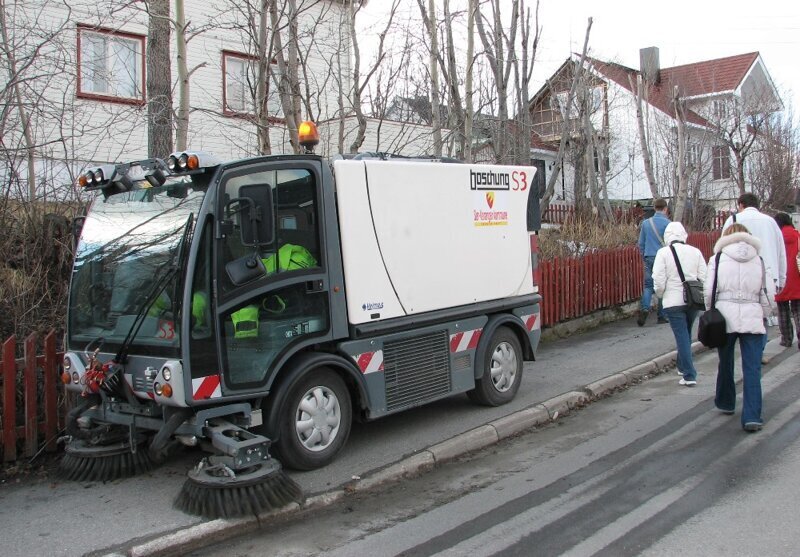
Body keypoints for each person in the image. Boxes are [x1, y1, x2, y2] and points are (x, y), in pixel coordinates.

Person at [706, 223, 775, 432]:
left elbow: (710, 290)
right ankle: (752, 416)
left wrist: (712, 311)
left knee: (725, 361)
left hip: (725, 317)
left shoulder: (717, 259)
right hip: (752, 315)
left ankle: (726, 401)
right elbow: (768, 293)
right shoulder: (759, 260)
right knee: (752, 368)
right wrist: (762, 313)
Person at [653, 222, 708, 386]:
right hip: (693, 300)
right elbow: (704, 277)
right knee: (686, 334)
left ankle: (689, 374)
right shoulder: (695, 252)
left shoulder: (663, 253)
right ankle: (682, 365)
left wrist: (661, 294)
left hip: (673, 301)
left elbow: (658, 279)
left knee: (682, 336)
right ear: (684, 235)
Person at [637, 198, 671, 326]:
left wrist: (644, 256)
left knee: (648, 286)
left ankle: (645, 308)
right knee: (662, 286)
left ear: (654, 208)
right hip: (663, 258)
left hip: (649, 257)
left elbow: (641, 243)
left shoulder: (646, 223)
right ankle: (661, 315)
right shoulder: (668, 223)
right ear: (665, 209)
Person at [773, 212, 800, 347]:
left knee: (783, 310)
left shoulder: (775, 239)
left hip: (781, 277)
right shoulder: (797, 236)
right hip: (797, 277)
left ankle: (786, 339)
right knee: (798, 310)